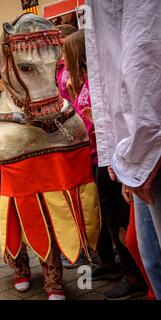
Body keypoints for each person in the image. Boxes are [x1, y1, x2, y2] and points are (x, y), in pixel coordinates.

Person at [86, 0, 161, 299]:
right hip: (135, 147)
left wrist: (145, 150)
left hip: (148, 146)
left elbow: (144, 52)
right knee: (151, 259)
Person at [64, 30, 147, 299]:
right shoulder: (86, 84)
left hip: (107, 158)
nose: (63, 59)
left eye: (66, 53)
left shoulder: (98, 84)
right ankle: (123, 269)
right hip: (95, 156)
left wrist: (91, 120)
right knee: (111, 221)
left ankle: (134, 276)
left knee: (119, 222)